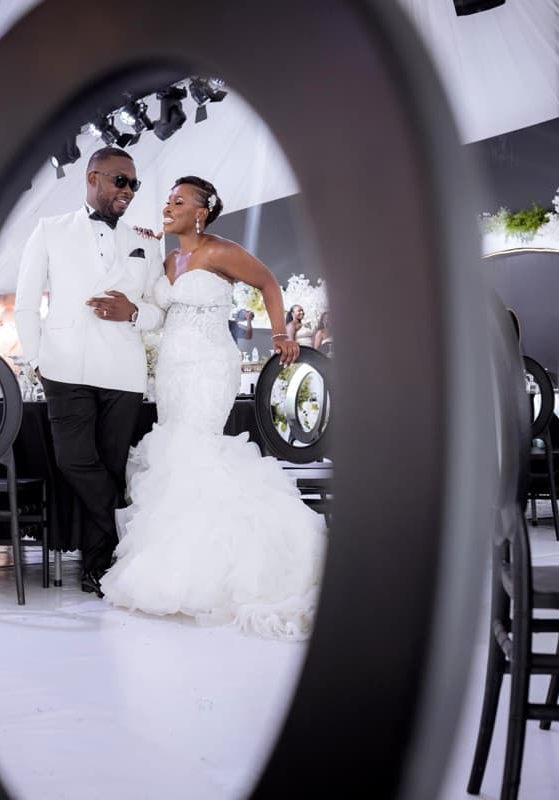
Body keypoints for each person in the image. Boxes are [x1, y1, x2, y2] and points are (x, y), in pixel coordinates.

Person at [101, 175, 327, 641]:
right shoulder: (168, 259)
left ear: (201, 211)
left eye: (178, 201)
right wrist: (130, 310)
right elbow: (162, 314)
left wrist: (282, 333)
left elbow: (267, 283)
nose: (168, 207)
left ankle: (222, 571)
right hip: (170, 369)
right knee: (176, 455)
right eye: (167, 200)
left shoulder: (220, 251)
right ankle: (179, 562)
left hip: (207, 366)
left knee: (196, 449)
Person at [14, 146, 165, 597]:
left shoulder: (149, 239)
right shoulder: (48, 230)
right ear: (92, 177)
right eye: (121, 181)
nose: (129, 191)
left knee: (111, 465)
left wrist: (133, 311)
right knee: (74, 460)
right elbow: (25, 303)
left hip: (124, 371)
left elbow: (161, 310)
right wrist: (39, 360)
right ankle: (125, 528)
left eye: (134, 184)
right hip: (65, 366)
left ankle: (99, 568)